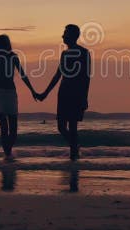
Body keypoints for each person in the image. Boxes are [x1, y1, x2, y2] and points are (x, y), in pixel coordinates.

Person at [36, 24, 91, 160]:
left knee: (73, 127)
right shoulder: (64, 54)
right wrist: (45, 93)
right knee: (61, 126)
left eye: (65, 33)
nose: (62, 36)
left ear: (72, 35)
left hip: (76, 93)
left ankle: (74, 156)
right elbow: (58, 75)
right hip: (63, 92)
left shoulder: (84, 53)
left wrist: (84, 97)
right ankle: (75, 147)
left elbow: (86, 77)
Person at [0, 34, 38, 160]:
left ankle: (8, 153)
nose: (7, 45)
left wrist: (32, 90)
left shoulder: (13, 58)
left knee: (13, 130)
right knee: (4, 128)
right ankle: (8, 156)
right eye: (5, 43)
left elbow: (23, 75)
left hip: (11, 93)